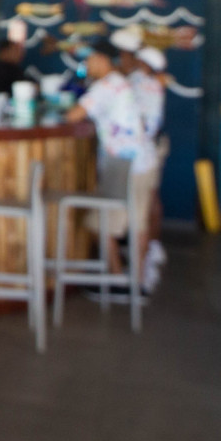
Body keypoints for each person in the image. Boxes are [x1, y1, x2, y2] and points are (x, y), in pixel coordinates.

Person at [64, 44, 159, 272]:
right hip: (142, 161)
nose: (86, 66)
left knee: (101, 224)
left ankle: (119, 278)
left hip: (127, 166)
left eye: (88, 60)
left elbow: (72, 116)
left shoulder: (105, 86)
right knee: (137, 224)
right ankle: (135, 281)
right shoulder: (118, 81)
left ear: (100, 58)